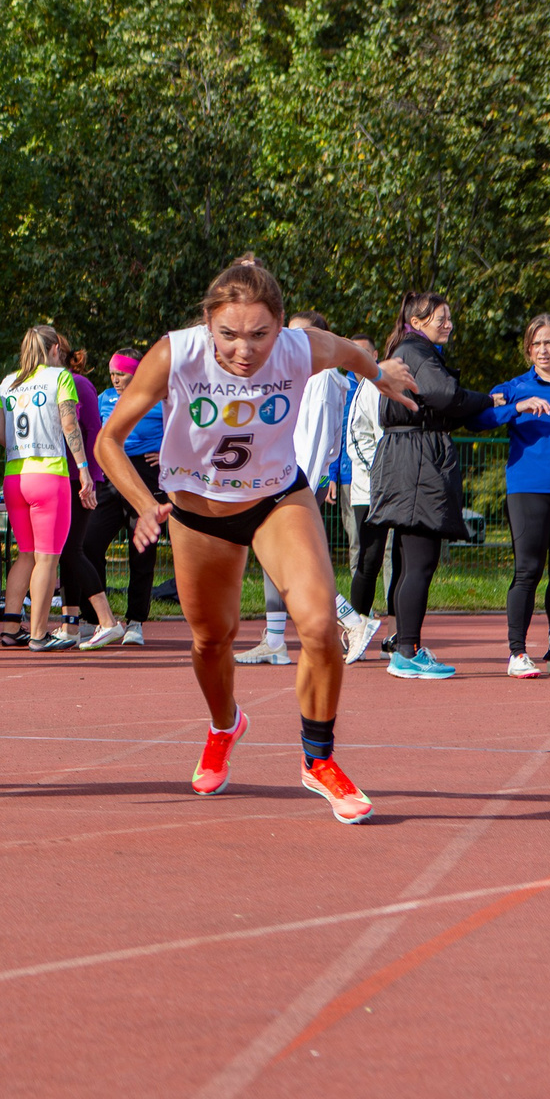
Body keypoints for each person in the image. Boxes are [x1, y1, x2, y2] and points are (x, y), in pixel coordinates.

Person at [96, 257, 416, 822]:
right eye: (230, 335)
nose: (244, 350)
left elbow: (348, 351)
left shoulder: (301, 348)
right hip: (197, 513)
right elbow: (109, 442)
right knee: (212, 640)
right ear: (207, 324)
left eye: (260, 335)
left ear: (282, 325)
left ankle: (318, 760)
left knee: (319, 623)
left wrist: (379, 375)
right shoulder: (175, 354)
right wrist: (147, 505)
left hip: (275, 499)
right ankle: (225, 726)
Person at [235, 312, 380, 668]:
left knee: (293, 564)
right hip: (282, 480)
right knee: (275, 560)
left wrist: (296, 488)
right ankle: (274, 640)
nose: (288, 340)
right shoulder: (304, 376)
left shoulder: (323, 379)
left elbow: (314, 443)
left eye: (298, 334)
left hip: (293, 482)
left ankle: (352, 619)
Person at [368, 293, 491, 679]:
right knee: (420, 562)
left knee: (409, 562)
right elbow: (446, 395)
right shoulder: (416, 351)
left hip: (409, 458)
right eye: (442, 318)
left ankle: (405, 647)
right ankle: (407, 651)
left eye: (450, 317)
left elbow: (436, 406)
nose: (449, 324)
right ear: (417, 322)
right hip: (417, 463)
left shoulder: (410, 350)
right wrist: (487, 398)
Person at [480, 314, 550, 677]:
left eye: (549, 342)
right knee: (528, 570)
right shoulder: (516, 386)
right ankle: (518, 653)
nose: (542, 350)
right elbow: (478, 419)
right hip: (528, 490)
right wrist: (515, 407)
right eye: (535, 344)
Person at [0, 326, 96, 649]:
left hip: (15, 475)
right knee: (47, 558)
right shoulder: (59, 378)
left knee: (25, 555)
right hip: (50, 473)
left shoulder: (7, 384)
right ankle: (39, 634)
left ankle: (10, 627)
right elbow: (69, 425)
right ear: (54, 350)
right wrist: (83, 469)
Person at [70, 350, 164, 646]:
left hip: (145, 474)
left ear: (137, 373)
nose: (115, 378)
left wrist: (166, 452)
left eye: (121, 373)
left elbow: (185, 429)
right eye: (112, 373)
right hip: (111, 475)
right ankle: (94, 618)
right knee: (88, 543)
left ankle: (136, 621)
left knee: (143, 548)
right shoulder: (104, 398)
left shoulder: (159, 397)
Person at [52, 338, 122, 648]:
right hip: (55, 477)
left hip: (78, 479)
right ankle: (70, 625)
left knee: (72, 550)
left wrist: (90, 476)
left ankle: (107, 621)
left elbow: (93, 431)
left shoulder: (78, 384)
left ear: (57, 352)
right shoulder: (43, 384)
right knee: (63, 552)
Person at [344, 369, 388, 635]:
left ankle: (397, 637)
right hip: (369, 489)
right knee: (369, 559)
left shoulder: (421, 382)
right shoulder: (370, 387)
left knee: (401, 560)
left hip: (404, 489)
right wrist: (383, 471)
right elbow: (358, 437)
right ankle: (356, 629)